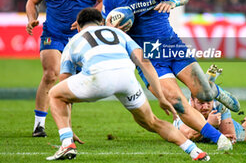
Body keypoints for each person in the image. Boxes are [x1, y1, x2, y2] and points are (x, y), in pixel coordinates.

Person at [102, 0, 238, 151]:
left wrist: (173, 2)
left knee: (204, 95)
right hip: (148, 59)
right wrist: (102, 26)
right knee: (177, 100)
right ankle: (220, 139)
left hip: (173, 48)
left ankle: (214, 91)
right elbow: (105, 25)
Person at [46, 8, 210, 161]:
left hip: (97, 78)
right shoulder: (119, 33)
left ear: (78, 27)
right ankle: (195, 151)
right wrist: (161, 97)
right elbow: (144, 63)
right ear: (101, 23)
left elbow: (65, 82)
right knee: (152, 122)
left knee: (54, 94)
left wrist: (66, 127)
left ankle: (67, 144)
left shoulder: (73, 41)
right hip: (127, 79)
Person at [25, 0, 108, 138]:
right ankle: (39, 125)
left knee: (68, 80)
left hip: (80, 38)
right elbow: (32, 2)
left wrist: (89, 16)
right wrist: (31, 19)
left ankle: (66, 129)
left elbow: (105, 0)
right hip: (53, 33)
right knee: (51, 74)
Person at [173, 65, 246, 143]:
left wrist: (226, 137)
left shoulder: (218, 105)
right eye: (201, 103)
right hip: (206, 125)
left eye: (208, 102)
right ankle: (210, 85)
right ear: (192, 101)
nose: (206, 107)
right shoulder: (185, 107)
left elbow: (231, 136)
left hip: (218, 123)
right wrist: (210, 125)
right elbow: (189, 135)